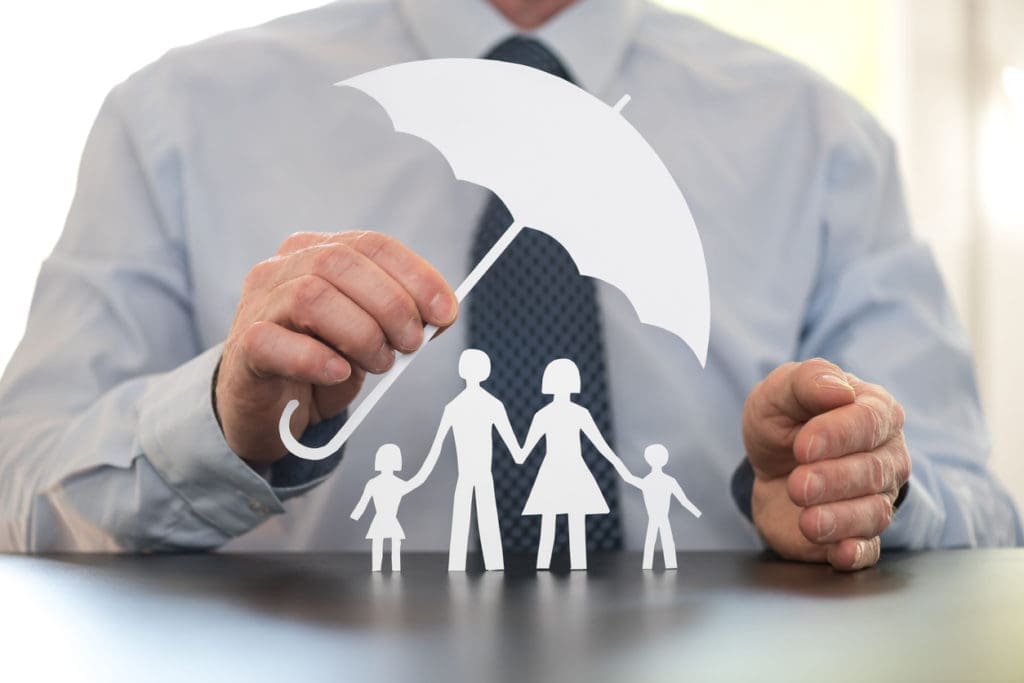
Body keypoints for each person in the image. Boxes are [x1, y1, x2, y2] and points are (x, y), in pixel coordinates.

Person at [0, 0, 1020, 567]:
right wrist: (222, 418)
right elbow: (24, 491)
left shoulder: (820, 138)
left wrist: (853, 489)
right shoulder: (174, 117)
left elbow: (977, 511)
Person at [407, 349, 520, 571]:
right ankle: (491, 563)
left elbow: (435, 449)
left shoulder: (455, 407)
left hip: (468, 477)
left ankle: (464, 564)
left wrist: (415, 480)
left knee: (462, 521)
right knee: (487, 520)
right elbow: (516, 450)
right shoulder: (492, 405)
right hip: (478, 476)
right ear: (486, 371)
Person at [516, 359, 633, 570]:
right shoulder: (576, 413)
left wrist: (625, 472)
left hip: (559, 472)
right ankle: (557, 565)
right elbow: (603, 447)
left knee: (552, 524)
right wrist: (623, 471)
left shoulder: (546, 415)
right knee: (570, 523)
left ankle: (548, 565)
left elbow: (522, 454)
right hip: (568, 471)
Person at [618, 444, 702, 570]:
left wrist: (616, 462)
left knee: (654, 543)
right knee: (660, 542)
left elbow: (628, 477)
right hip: (657, 518)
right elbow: (683, 500)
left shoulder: (649, 481)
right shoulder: (666, 481)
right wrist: (695, 512)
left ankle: (658, 565)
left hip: (660, 518)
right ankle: (657, 565)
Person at [350, 443, 416, 571]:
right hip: (381, 520)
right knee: (381, 547)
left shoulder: (390, 483)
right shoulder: (376, 483)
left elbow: (415, 482)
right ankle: (380, 569)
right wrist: (354, 516)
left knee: (392, 548)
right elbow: (362, 503)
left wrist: (355, 516)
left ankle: (392, 570)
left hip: (389, 520)